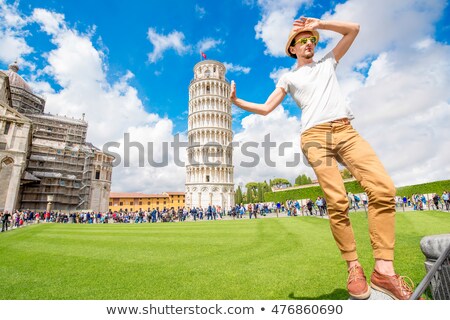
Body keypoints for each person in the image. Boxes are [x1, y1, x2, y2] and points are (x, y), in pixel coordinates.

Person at [230, 16, 413, 300]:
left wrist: (321, 24)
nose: (309, 44)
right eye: (303, 41)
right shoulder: (288, 77)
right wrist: (237, 102)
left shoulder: (328, 62)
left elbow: (354, 29)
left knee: (383, 189)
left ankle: (384, 271)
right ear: (292, 48)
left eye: (311, 41)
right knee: (337, 200)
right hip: (314, 137)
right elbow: (267, 109)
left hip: (345, 130)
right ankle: (354, 267)